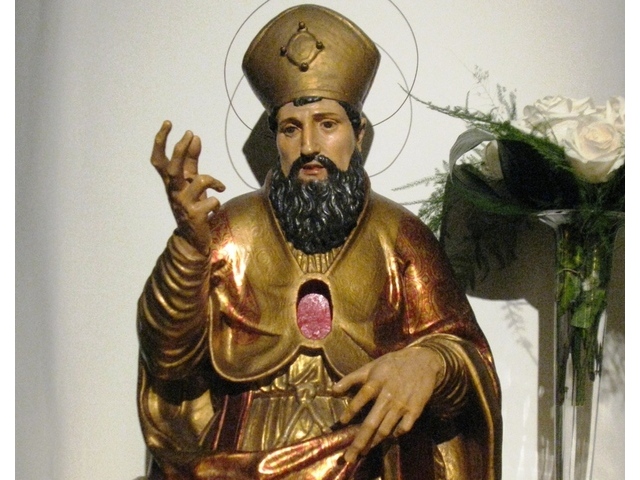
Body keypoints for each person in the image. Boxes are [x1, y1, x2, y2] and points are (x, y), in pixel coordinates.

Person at [137, 5, 502, 480]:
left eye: (327, 124)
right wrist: (189, 248)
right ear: (276, 140)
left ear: (358, 133)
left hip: (366, 455)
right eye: (291, 128)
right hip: (241, 459)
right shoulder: (229, 230)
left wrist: (430, 362)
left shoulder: (399, 235)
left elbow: (465, 355)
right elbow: (168, 360)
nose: (309, 145)